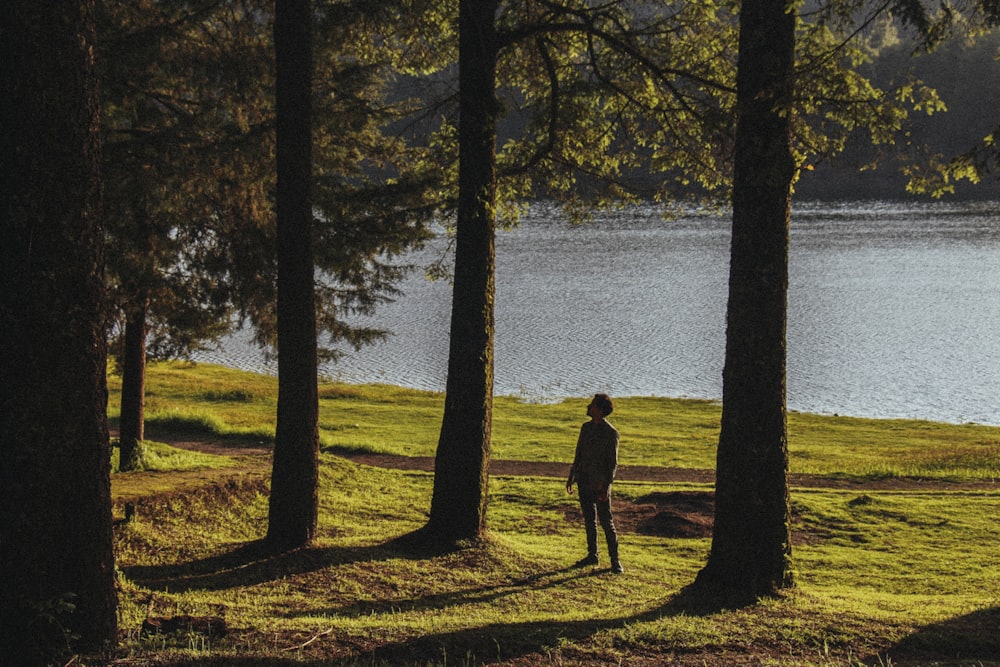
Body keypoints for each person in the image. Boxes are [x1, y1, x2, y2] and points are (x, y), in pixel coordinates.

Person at [566, 393, 623, 573]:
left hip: (600, 484)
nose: (588, 407)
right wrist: (571, 476)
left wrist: (605, 486)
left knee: (606, 521)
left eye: (592, 405)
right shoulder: (585, 428)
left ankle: (615, 561)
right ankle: (593, 555)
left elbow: (612, 464)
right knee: (589, 520)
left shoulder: (611, 433)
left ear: (599, 409)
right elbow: (579, 454)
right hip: (584, 480)